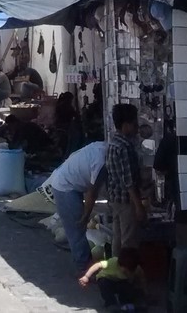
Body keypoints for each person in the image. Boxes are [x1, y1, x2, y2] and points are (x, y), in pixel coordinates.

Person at [50, 141, 108, 271]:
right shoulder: (101, 162)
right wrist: (86, 216)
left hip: (68, 181)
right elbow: (92, 193)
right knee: (77, 228)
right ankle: (83, 268)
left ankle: (85, 263)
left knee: (78, 228)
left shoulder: (103, 147)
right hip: (64, 186)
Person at [106, 103, 145, 255]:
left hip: (116, 199)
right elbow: (128, 181)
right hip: (126, 201)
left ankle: (116, 271)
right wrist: (139, 206)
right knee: (129, 242)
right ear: (126, 125)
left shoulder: (113, 144)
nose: (137, 128)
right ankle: (126, 273)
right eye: (135, 124)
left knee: (118, 238)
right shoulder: (124, 147)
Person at [79, 247, 146, 308]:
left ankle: (125, 303)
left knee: (127, 287)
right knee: (104, 284)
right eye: (125, 271)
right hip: (107, 279)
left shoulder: (136, 268)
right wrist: (86, 276)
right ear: (120, 264)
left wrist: (143, 292)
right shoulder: (112, 262)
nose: (128, 273)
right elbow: (97, 265)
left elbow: (142, 280)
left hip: (120, 282)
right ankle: (111, 303)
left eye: (130, 271)